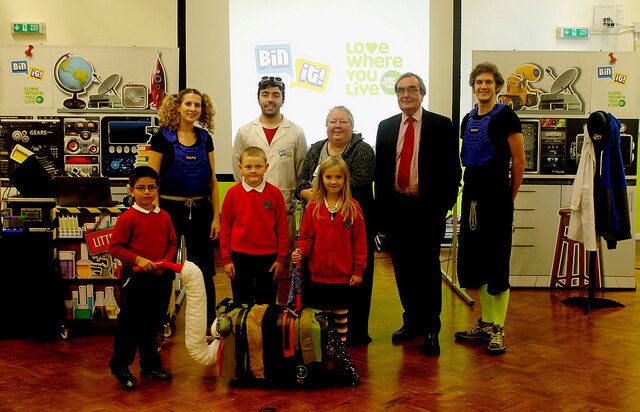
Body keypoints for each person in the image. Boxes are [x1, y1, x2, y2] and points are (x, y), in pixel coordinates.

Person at [374, 72, 462, 356]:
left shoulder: (441, 125)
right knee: (403, 269)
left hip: (427, 210)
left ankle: (430, 328)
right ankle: (410, 321)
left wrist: (442, 207)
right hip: (397, 209)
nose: (406, 94)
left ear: (422, 93)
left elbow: (453, 171)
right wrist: (382, 213)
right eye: (400, 90)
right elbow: (381, 173)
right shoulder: (386, 126)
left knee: (426, 270)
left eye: (412, 89)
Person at [454, 62, 525, 354]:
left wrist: (510, 196)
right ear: (473, 86)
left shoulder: (507, 117)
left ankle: (499, 329)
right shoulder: (468, 118)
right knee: (476, 261)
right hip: (471, 195)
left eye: (488, 82)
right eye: (478, 82)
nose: (483, 87)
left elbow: (518, 161)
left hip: (497, 197)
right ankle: (485, 323)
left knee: (497, 262)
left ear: (497, 86)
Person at [296, 105, 375, 345]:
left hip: (347, 229)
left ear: (353, 125)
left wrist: (322, 194)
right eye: (332, 121)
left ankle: (351, 339)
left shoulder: (363, 150)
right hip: (318, 224)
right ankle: (319, 343)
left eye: (343, 121)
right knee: (319, 303)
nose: (337, 126)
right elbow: (302, 178)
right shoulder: (316, 148)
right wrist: (309, 193)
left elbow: (360, 182)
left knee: (346, 302)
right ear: (326, 125)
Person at [148, 88, 220, 328]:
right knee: (164, 268)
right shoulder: (161, 138)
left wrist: (216, 218)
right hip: (169, 209)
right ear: (178, 106)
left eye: (197, 105)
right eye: (188, 104)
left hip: (200, 210)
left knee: (203, 270)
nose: (192, 109)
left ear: (202, 109)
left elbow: (212, 181)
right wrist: (156, 214)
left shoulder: (205, 138)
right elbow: (152, 179)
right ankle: (159, 323)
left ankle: (209, 322)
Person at [233, 76, 307, 304]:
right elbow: (239, 171)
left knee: (283, 266)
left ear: (283, 100)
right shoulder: (245, 132)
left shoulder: (295, 132)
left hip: (284, 211)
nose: (270, 99)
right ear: (258, 98)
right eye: (265, 95)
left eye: (276, 95)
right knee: (253, 267)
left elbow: (301, 170)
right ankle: (254, 315)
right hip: (252, 213)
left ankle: (282, 315)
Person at [108, 166, 178, 391]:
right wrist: (138, 260)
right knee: (131, 325)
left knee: (153, 324)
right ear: (131, 190)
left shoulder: (164, 216)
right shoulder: (128, 218)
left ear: (157, 189)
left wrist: (165, 261)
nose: (146, 192)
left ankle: (150, 365)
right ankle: (120, 366)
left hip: (160, 277)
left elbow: (172, 242)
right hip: (136, 279)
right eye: (141, 188)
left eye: (151, 187)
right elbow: (115, 248)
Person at [292, 156, 367, 342]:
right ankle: (324, 356)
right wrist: (301, 251)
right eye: (328, 177)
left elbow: (360, 243)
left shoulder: (353, 209)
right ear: (321, 179)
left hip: (344, 276)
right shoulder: (313, 207)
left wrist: (358, 271)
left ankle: (340, 353)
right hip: (318, 275)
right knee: (322, 319)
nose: (333, 182)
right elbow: (306, 238)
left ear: (345, 180)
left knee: (341, 316)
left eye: (338, 177)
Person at [220, 146, 289, 305]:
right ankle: (244, 330)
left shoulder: (275, 194)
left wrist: (280, 259)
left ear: (266, 167)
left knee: (266, 303)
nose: (253, 171)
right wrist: (227, 260)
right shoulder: (233, 194)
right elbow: (226, 229)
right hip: (240, 257)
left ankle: (264, 330)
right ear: (240, 168)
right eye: (248, 166)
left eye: (258, 166)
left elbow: (282, 229)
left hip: (269, 258)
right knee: (242, 302)